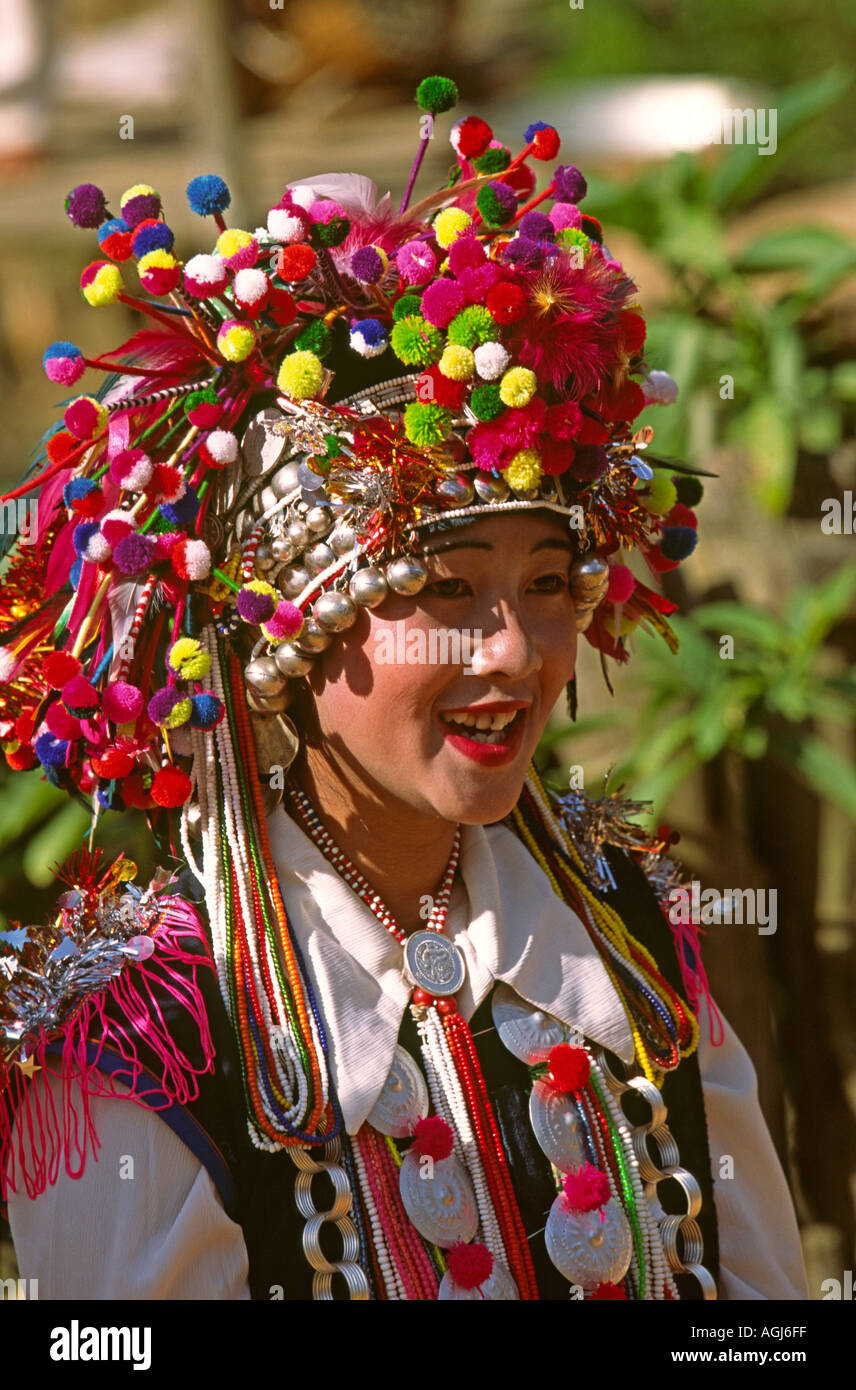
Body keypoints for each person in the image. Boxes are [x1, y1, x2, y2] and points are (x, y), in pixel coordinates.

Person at [0, 77, 807, 1301]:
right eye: (441, 590)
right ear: (289, 629)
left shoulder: (630, 938)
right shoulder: (151, 1040)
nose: (514, 652)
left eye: (550, 581)